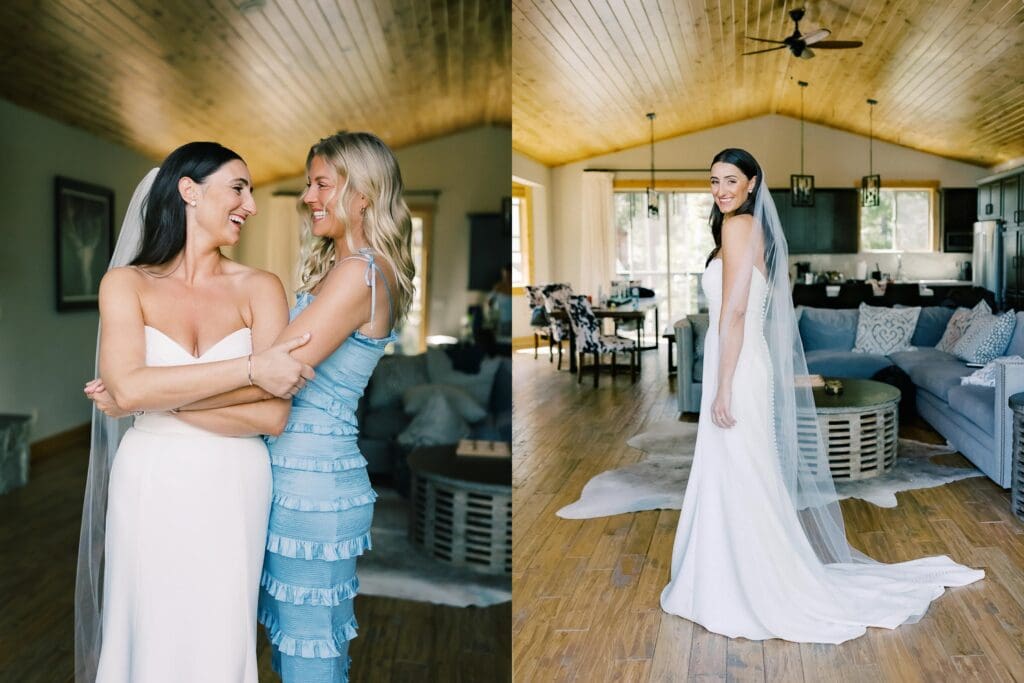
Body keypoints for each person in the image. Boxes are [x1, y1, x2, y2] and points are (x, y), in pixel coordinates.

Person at [659, 148, 984, 643]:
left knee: (737, 467)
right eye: (713, 181)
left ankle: (739, 583)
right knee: (743, 468)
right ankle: (744, 572)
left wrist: (722, 385)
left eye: (730, 180)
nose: (721, 189)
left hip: (739, 366)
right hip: (747, 363)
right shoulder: (752, 229)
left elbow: (737, 314)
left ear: (751, 185)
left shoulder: (739, 228)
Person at [76, 142, 315, 682]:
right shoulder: (125, 284)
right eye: (238, 187)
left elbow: (273, 417)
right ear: (189, 190)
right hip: (149, 478)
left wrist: (152, 396)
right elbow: (131, 389)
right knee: (146, 620)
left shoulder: (261, 287)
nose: (250, 205)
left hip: (234, 481)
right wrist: (252, 370)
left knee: (218, 626)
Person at [253, 132, 415, 681]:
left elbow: (274, 375)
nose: (307, 196)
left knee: (308, 658)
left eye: (321, 183)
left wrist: (166, 393)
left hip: (312, 489)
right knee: (295, 645)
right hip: (298, 478)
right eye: (308, 183)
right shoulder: (347, 269)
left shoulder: (358, 274)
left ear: (363, 193)